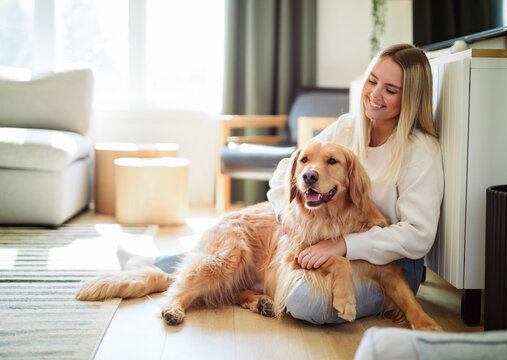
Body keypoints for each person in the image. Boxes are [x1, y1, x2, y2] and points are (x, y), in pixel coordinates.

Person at [118, 43, 444, 325]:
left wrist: (343, 246)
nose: (374, 95)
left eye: (390, 89)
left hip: (389, 265)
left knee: (303, 300)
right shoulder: (348, 127)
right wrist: (283, 213)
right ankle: (154, 265)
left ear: (411, 97)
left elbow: (417, 236)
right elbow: (287, 171)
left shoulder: (420, 152)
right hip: (329, 245)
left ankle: (160, 269)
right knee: (235, 257)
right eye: (371, 81)